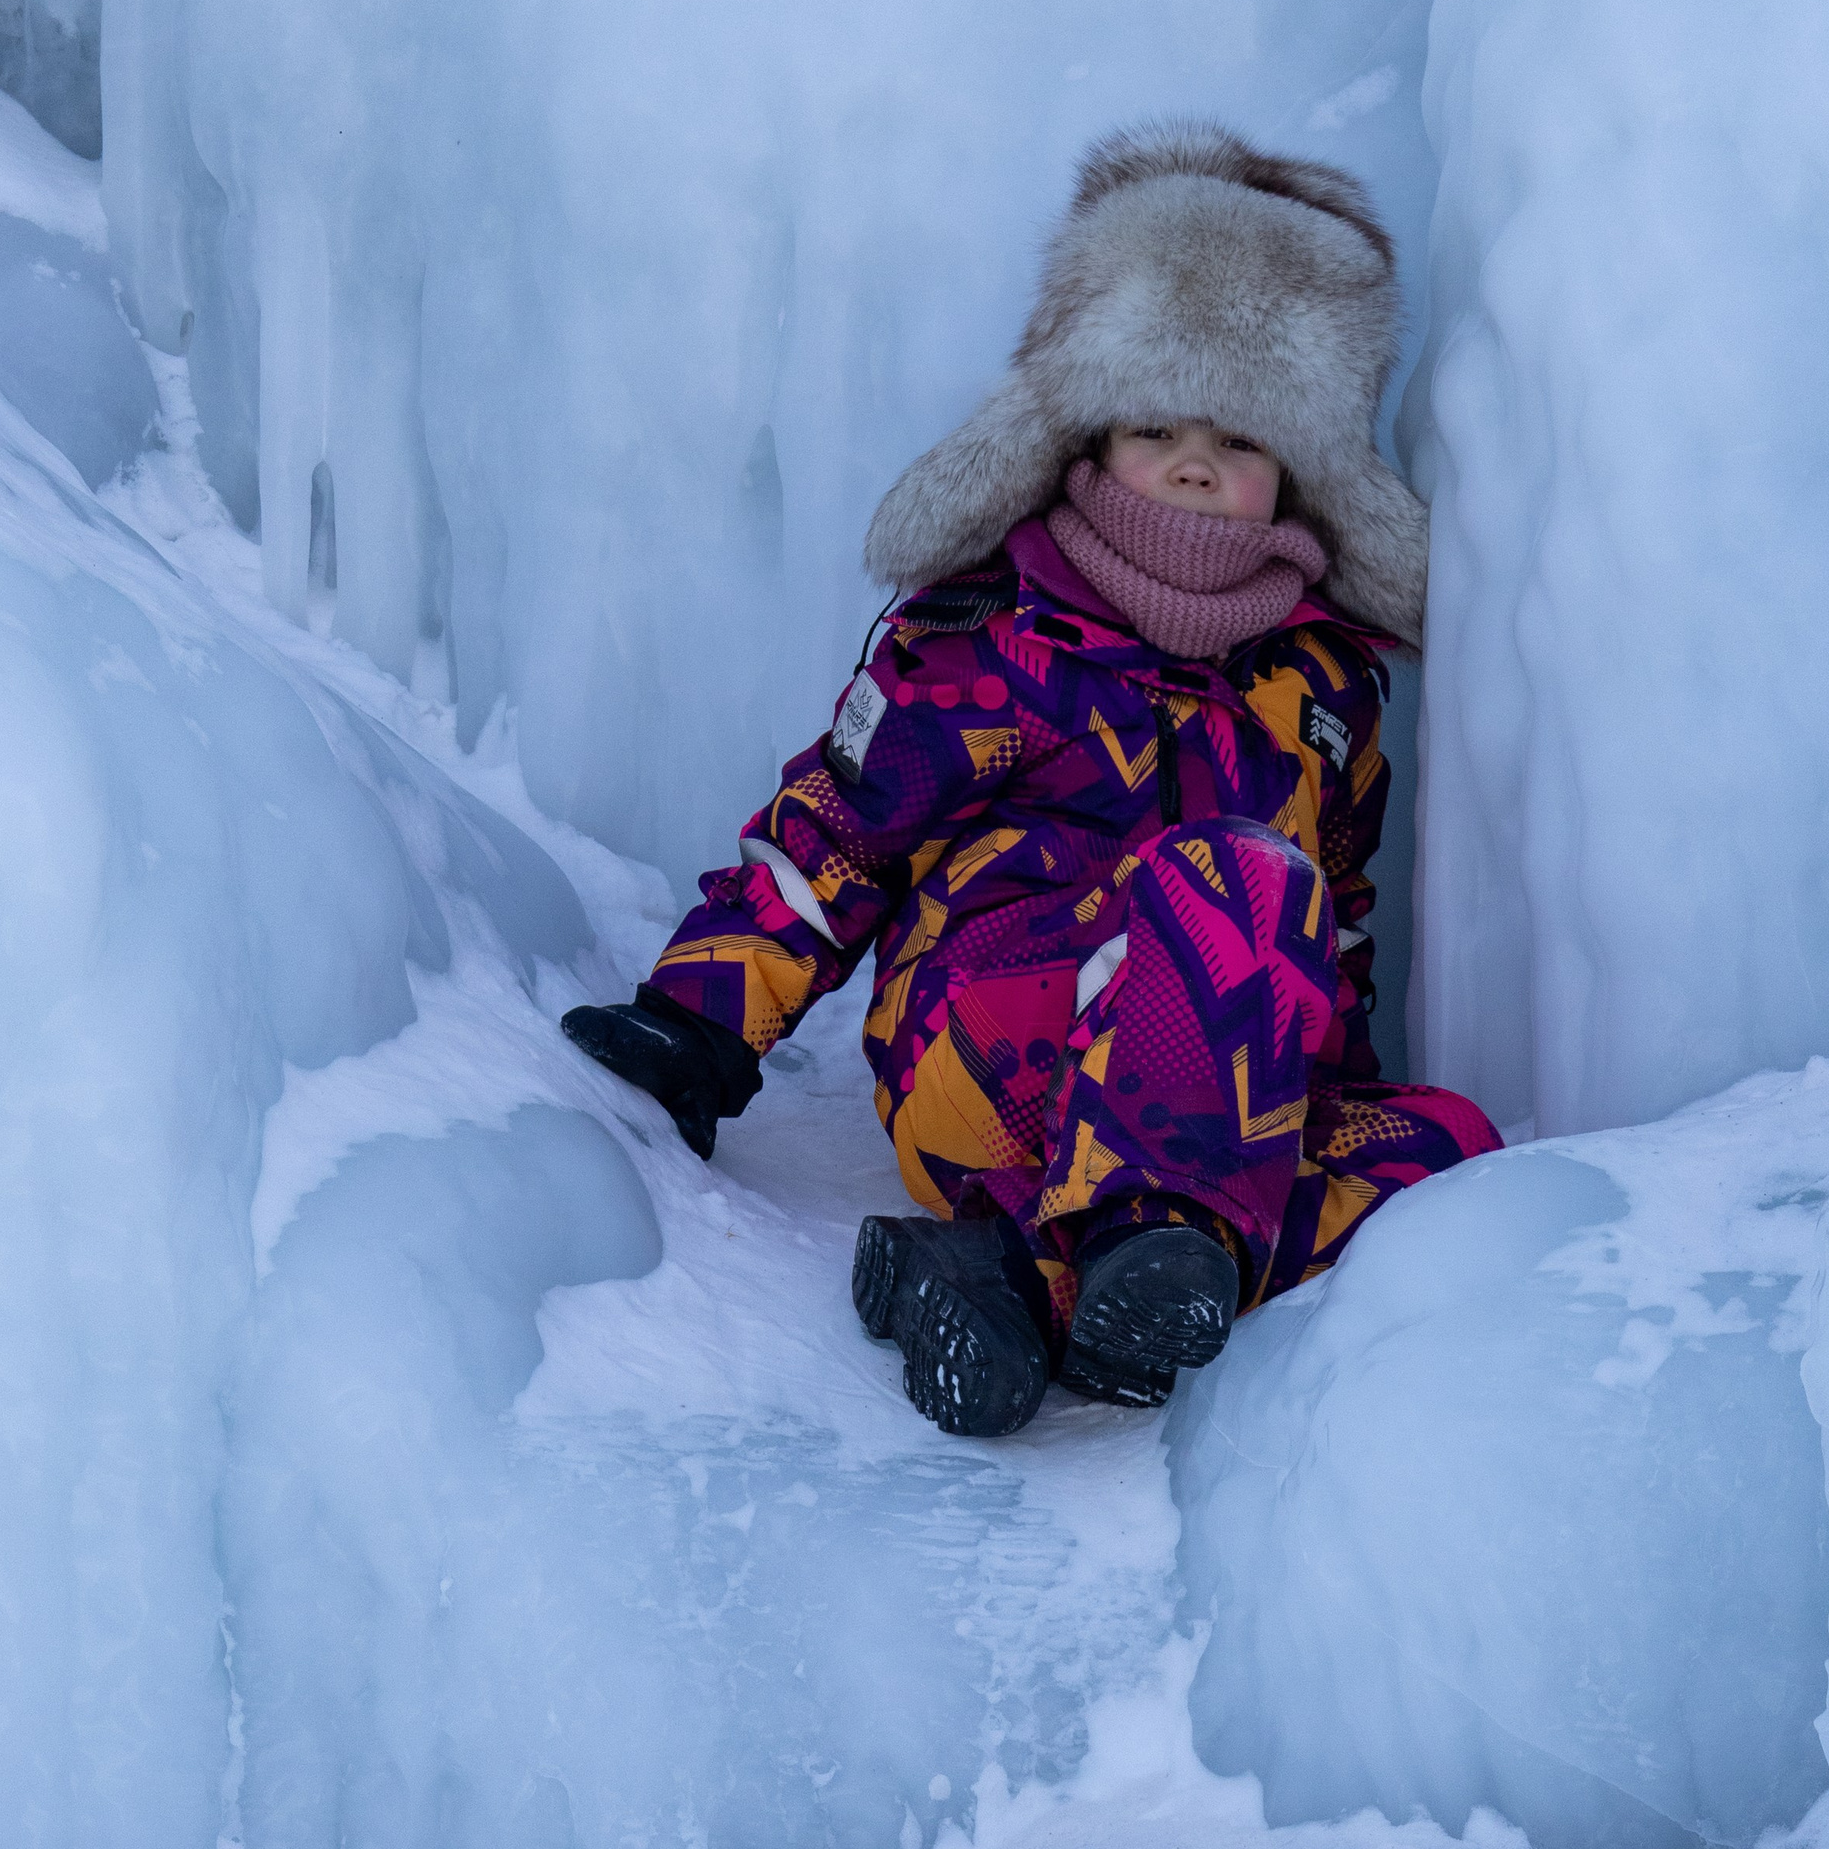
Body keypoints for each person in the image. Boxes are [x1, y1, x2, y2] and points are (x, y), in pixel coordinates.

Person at [563, 124, 1503, 1435]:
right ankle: (1125, 1256)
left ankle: (1013, 1274)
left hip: (1205, 1103)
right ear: (1080, 441)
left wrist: (1300, 1096)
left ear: (1297, 469)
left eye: (1236, 439)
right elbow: (839, 834)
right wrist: (701, 1024)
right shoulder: (996, 633)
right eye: (1153, 424)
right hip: (995, 1049)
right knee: (1232, 874)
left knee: (1454, 1152)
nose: (1191, 464)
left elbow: (1333, 925)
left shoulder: (1324, 689)